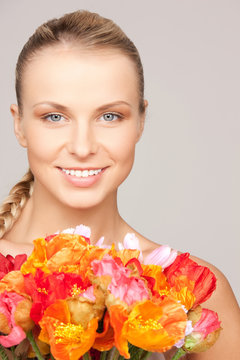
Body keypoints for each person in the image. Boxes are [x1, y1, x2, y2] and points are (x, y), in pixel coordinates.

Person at [0, 10, 239, 360]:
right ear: (19, 125)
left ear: (140, 122)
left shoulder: (192, 294)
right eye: (55, 116)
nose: (83, 147)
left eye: (109, 116)